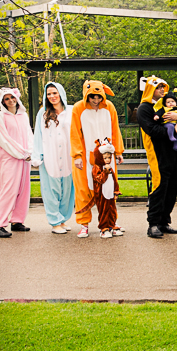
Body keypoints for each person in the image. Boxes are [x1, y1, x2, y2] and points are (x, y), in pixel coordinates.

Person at [71, 79, 124, 239]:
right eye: (92, 97)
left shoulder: (110, 107)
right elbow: (75, 133)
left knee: (108, 190)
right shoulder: (78, 108)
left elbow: (115, 129)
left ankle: (110, 223)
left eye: (99, 97)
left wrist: (119, 151)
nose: (95, 100)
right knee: (83, 190)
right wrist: (77, 155)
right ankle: (84, 225)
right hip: (86, 157)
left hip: (108, 157)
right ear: (86, 95)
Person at [137, 76, 177, 238]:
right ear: (150, 89)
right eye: (158, 87)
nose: (162, 90)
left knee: (172, 187)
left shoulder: (167, 104)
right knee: (159, 187)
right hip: (157, 153)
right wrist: (173, 130)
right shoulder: (144, 108)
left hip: (173, 153)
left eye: (163, 87)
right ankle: (152, 224)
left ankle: (164, 222)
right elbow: (152, 130)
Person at [32, 82, 75, 234]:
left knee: (68, 190)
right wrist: (36, 155)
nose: (52, 96)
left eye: (54, 93)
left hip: (68, 155)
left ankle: (62, 219)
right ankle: (54, 221)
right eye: (49, 94)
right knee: (51, 190)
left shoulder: (71, 111)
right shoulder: (42, 113)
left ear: (61, 93)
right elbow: (37, 135)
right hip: (50, 156)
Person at [0, 87, 32, 238]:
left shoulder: (24, 116)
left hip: (24, 158)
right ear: (3, 102)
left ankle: (17, 221)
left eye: (12, 97)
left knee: (23, 189)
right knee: (8, 191)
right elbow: (3, 139)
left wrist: (30, 153)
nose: (11, 101)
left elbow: (29, 135)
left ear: (17, 98)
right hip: (9, 158)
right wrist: (21, 153)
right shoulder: (0, 116)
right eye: (7, 99)